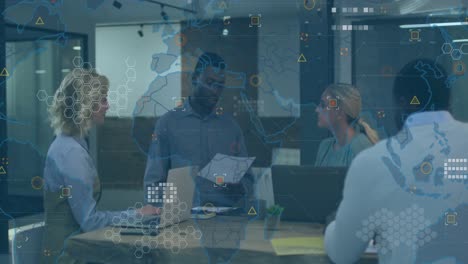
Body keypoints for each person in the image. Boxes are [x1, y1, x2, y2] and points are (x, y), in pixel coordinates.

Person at [324, 59, 467, 263]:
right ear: (449, 100)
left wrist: (333, 225)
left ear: (400, 102)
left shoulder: (373, 161)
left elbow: (342, 253)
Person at [41, 69, 159, 264]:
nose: (107, 105)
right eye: (103, 100)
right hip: (68, 256)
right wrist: (138, 214)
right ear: (86, 104)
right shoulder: (71, 153)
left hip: (72, 249)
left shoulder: (70, 143)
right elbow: (90, 221)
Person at [144, 52, 253, 208]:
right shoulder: (168, 124)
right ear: (195, 78)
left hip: (226, 220)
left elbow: (248, 180)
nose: (215, 90)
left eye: (220, 85)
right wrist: (160, 216)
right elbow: (153, 182)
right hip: (181, 219)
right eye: (210, 82)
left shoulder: (231, 128)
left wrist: (239, 186)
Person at [314, 83, 379, 167]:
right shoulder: (325, 147)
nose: (317, 109)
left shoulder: (360, 147)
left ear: (339, 112)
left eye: (323, 105)